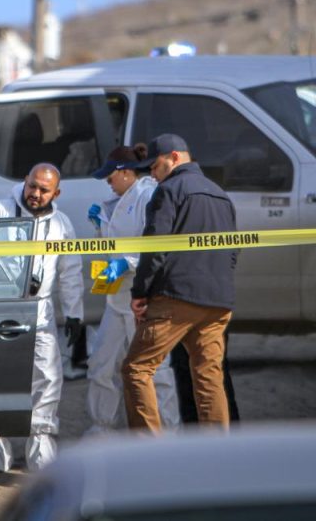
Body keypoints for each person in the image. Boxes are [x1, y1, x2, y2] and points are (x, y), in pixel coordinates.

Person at [0, 163, 84, 473]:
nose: (35, 193)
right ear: (25, 180)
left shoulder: (62, 225)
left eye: (43, 189)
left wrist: (75, 314)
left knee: (46, 380)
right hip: (0, 308)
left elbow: (70, 272)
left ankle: (40, 456)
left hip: (40, 310)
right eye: (32, 185)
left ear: (56, 193)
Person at [123, 133, 238, 430]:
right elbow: (233, 249)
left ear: (174, 157)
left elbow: (155, 247)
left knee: (136, 369)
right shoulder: (220, 194)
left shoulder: (169, 190)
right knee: (209, 377)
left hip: (176, 299)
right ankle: (219, 461)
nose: (151, 172)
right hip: (218, 302)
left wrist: (140, 292)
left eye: (155, 165)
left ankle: (151, 457)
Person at [86, 144, 180, 434]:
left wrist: (124, 263)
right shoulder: (122, 198)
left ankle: (166, 436)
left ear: (125, 173)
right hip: (117, 300)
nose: (108, 183)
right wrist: (101, 225)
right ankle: (102, 430)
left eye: (110, 177)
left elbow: (154, 247)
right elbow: (117, 241)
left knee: (155, 370)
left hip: (143, 300)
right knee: (101, 365)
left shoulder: (148, 195)